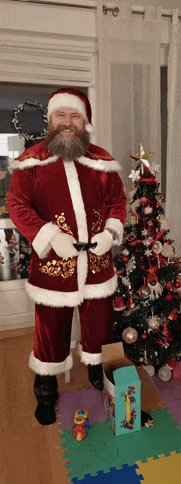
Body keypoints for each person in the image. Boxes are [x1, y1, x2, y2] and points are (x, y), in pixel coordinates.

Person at [8, 87, 127, 425]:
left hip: (98, 266)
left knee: (100, 329)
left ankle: (96, 375)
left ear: (84, 121)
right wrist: (48, 236)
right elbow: (17, 206)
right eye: (61, 115)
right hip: (52, 268)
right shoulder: (31, 161)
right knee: (50, 332)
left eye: (75, 116)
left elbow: (117, 200)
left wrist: (110, 233)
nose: (68, 123)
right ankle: (46, 392)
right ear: (51, 119)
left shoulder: (101, 160)